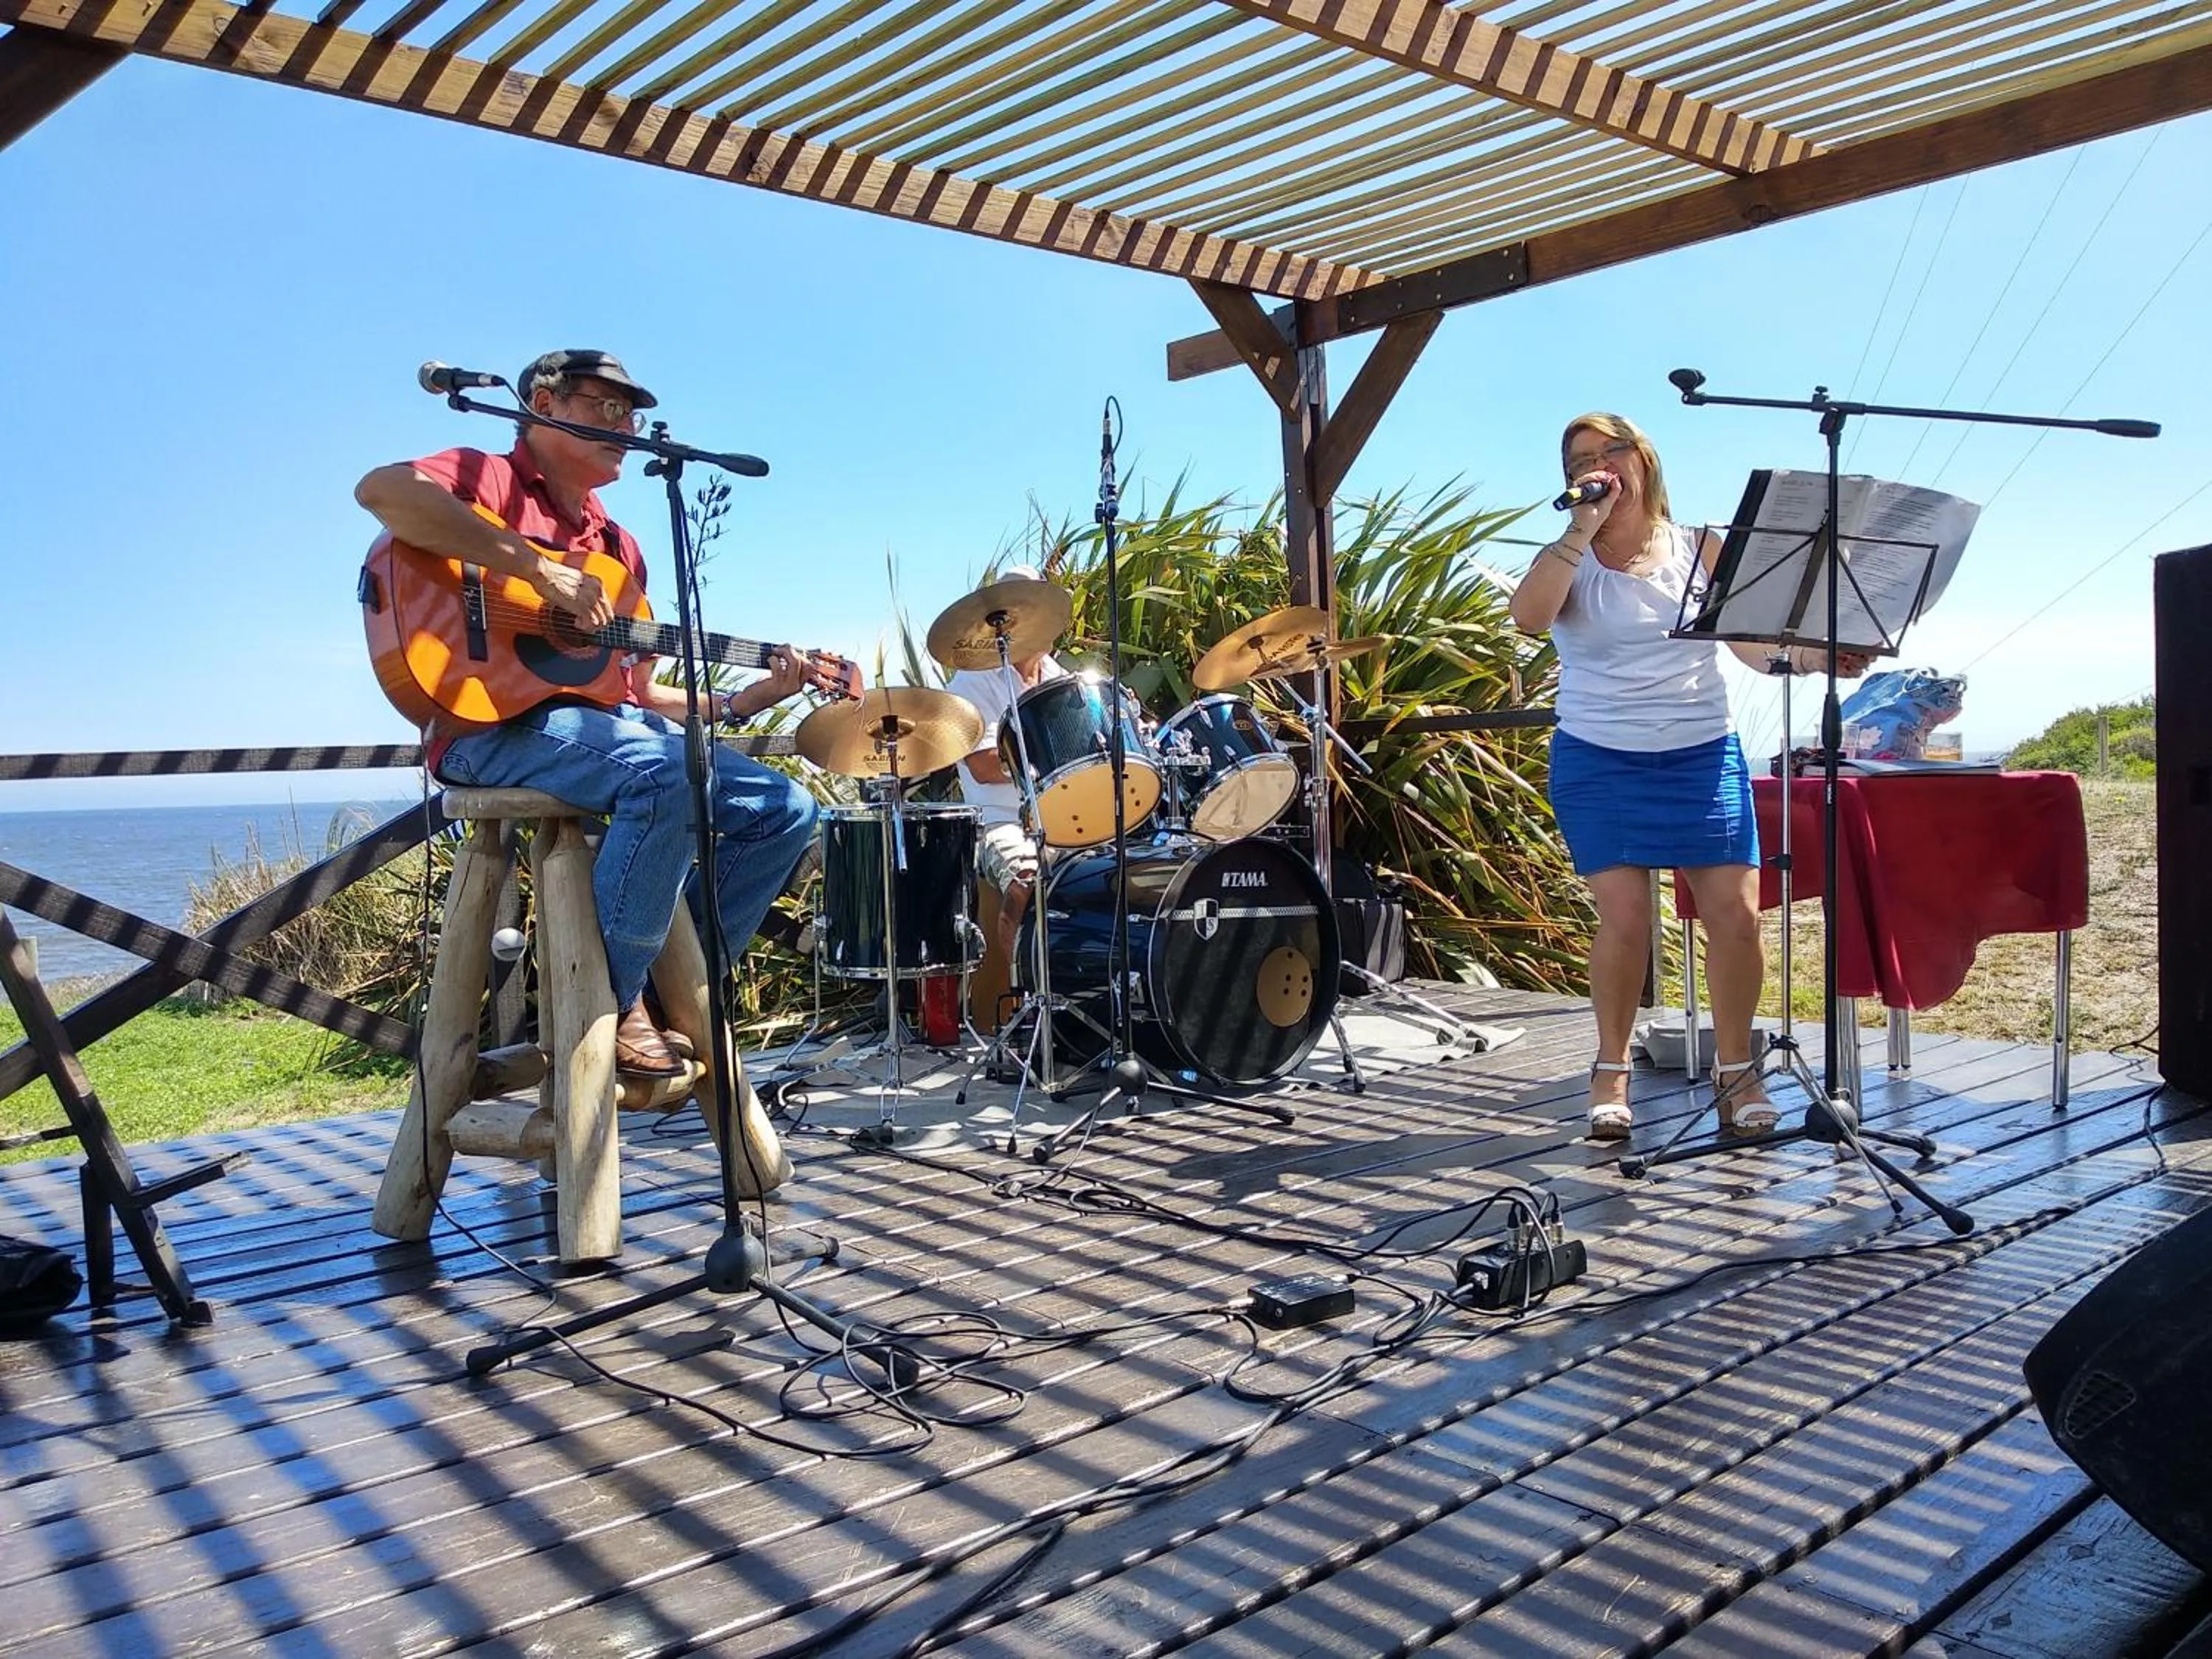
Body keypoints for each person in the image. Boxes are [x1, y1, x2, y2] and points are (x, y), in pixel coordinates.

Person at [355, 349, 821, 1080]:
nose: (624, 424)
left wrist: (743, 701)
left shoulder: (619, 550)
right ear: (543, 401)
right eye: (603, 406)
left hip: (598, 734)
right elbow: (384, 492)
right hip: (489, 725)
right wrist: (536, 569)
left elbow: (637, 696)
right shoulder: (491, 479)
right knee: (664, 776)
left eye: (630, 412)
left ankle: (663, 994)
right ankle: (610, 999)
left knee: (784, 807)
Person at [1508, 412, 1870, 1141]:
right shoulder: (1568, 553)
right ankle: (1611, 1070)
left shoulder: (1700, 545)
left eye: (1610, 451)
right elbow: (1527, 617)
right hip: (1600, 755)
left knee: (1735, 917)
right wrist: (1581, 528)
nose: (1597, 465)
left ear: (1642, 459)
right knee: (1627, 918)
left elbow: (1747, 647)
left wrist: (1812, 659)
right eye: (1580, 458)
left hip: (1701, 751)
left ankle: (1737, 1070)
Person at [944, 567, 1069, 959]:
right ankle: (1028, 988)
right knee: (1026, 878)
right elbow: (982, 765)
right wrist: (1048, 764)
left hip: (1068, 821)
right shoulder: (970, 682)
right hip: (1000, 824)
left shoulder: (1059, 676)